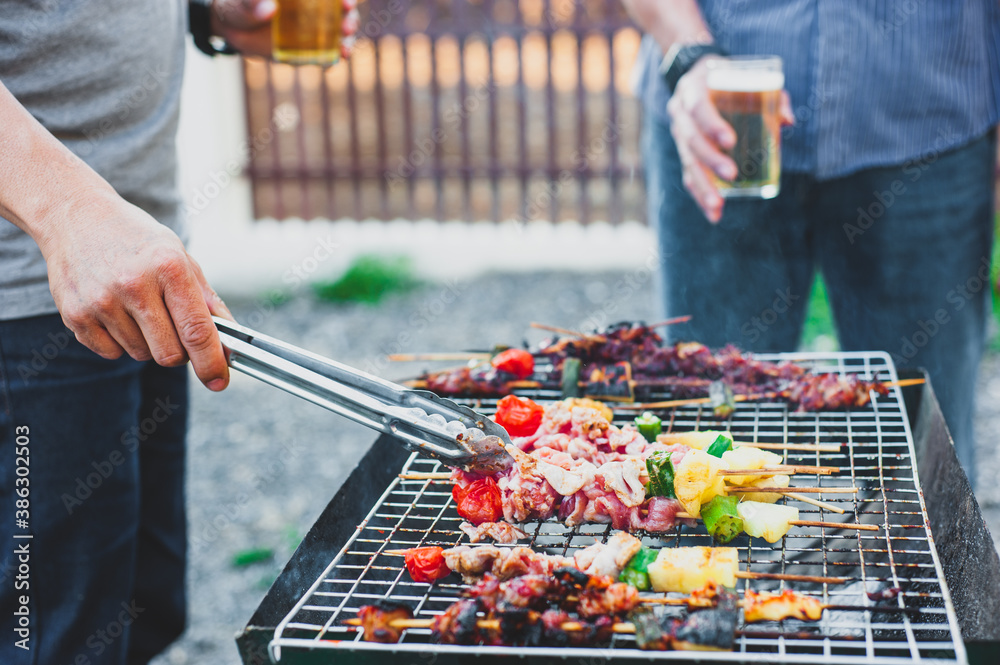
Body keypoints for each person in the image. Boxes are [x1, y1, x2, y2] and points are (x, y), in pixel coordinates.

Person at [0, 2, 355, 664]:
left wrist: (205, 12)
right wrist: (66, 212)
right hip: (27, 290)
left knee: (143, 608)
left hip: (138, 256)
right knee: (54, 634)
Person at [622, 0, 1000, 483]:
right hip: (718, 119)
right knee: (706, 443)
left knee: (926, 462)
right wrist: (689, 52)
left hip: (934, 121)